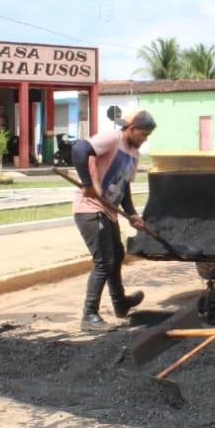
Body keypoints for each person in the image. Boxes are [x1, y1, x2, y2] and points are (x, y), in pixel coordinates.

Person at [72, 110, 155, 333]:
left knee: (116, 256)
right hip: (89, 210)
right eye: (143, 134)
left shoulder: (133, 153)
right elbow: (79, 149)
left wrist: (132, 214)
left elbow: (124, 186)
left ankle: (120, 303)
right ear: (132, 129)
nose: (144, 139)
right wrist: (87, 183)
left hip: (109, 211)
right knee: (104, 262)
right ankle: (89, 315)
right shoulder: (112, 139)